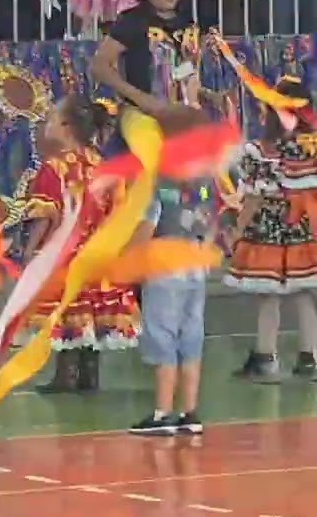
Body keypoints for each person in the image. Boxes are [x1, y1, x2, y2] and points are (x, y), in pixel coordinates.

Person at [24, 96, 139, 392]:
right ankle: (90, 374)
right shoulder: (105, 166)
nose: (47, 124)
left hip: (67, 254)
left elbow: (47, 214)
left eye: (52, 119)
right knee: (93, 309)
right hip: (100, 253)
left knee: (69, 310)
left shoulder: (56, 168)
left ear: (66, 127)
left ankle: (66, 374)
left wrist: (31, 251)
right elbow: (118, 211)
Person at [129, 107, 217, 436]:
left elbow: (147, 223)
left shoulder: (157, 179)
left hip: (164, 261)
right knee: (191, 333)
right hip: (195, 262)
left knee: (161, 333)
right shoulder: (205, 178)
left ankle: (162, 412)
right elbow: (210, 222)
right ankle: (189, 412)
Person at [224, 76, 317, 381]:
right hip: (304, 226)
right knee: (305, 292)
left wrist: (237, 231)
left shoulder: (262, 150)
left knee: (268, 294)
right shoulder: (311, 147)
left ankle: (266, 357)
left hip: (269, 229)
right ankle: (310, 358)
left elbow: (254, 196)